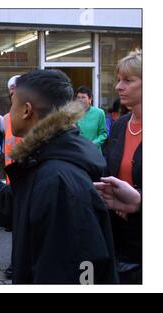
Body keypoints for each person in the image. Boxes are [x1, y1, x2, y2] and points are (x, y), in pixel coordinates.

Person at [0, 69, 119, 283]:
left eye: (12, 104)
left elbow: (68, 271)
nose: (9, 114)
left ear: (27, 110)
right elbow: (10, 206)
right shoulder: (46, 158)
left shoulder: (56, 179)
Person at [103, 49, 142, 284]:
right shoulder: (120, 126)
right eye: (118, 80)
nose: (119, 87)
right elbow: (107, 168)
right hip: (117, 234)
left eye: (128, 80)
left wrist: (138, 201)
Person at [2, 75, 23, 280]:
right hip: (12, 182)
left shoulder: (31, 114)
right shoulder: (6, 118)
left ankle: (18, 263)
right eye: (12, 91)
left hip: (27, 181)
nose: (14, 93)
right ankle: (16, 262)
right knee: (16, 227)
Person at [75, 86, 107, 150]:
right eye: (78, 97)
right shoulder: (72, 113)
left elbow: (103, 134)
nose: (80, 100)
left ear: (90, 99)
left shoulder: (99, 113)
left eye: (83, 97)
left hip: (94, 151)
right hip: (78, 151)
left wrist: (93, 144)